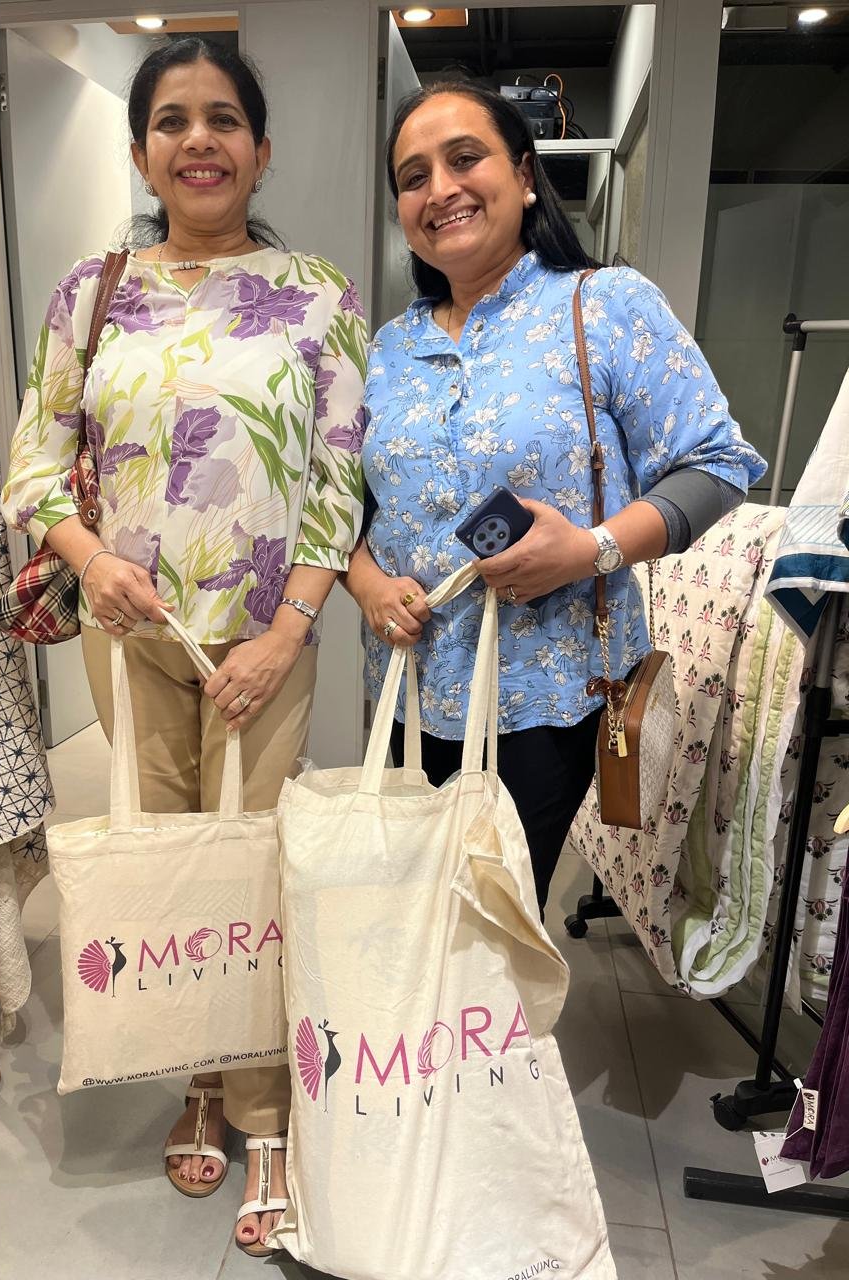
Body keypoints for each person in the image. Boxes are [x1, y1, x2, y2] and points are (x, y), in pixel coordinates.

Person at [1, 37, 366, 1257]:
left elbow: (339, 478)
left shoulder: (319, 293)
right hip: (131, 637)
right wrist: (91, 557)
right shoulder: (92, 289)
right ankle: (197, 1081)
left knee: (254, 870)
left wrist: (292, 624)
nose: (198, 139)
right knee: (167, 871)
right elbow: (37, 463)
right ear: (142, 150)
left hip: (266, 638)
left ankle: (265, 1112)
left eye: (222, 119)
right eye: (172, 120)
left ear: (261, 149)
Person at [343, 82, 765, 915]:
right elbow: (349, 506)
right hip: (411, 685)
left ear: (525, 176)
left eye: (466, 159)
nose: (441, 189)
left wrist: (589, 550)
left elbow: (718, 464)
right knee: (414, 909)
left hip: (546, 693)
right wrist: (365, 583)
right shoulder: (389, 347)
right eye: (414, 176)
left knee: (497, 919)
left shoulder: (604, 305)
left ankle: (494, 1009)